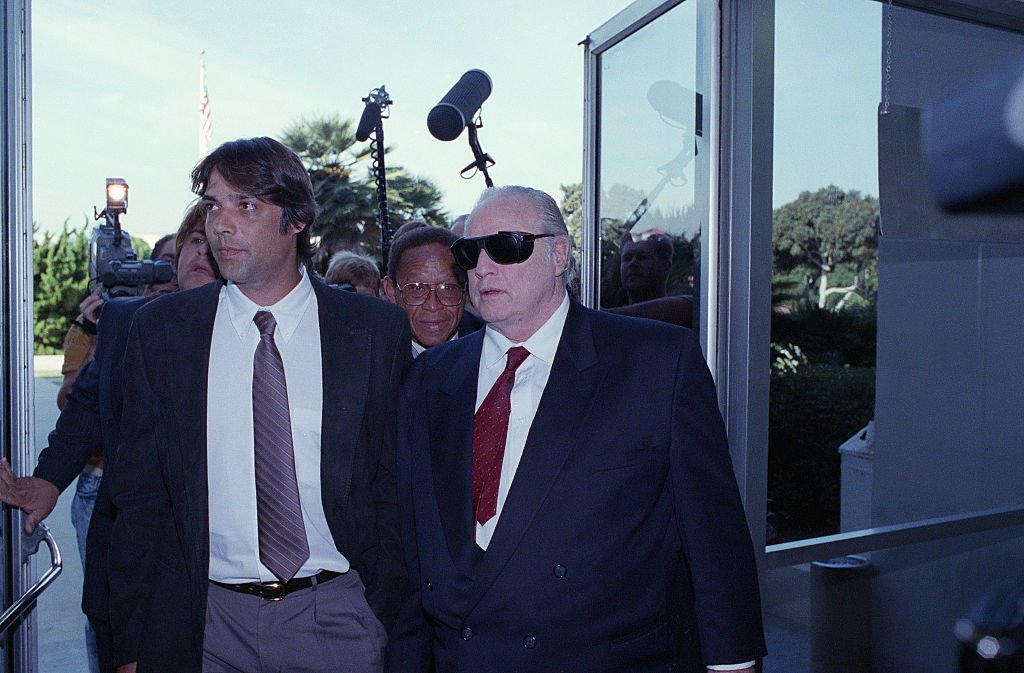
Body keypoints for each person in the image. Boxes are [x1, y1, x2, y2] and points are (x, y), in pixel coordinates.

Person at [385, 186, 765, 673]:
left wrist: (732, 663)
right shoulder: (431, 378)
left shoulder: (657, 363)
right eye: (469, 250)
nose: (482, 266)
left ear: (559, 253)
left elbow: (713, 534)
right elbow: (418, 560)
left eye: (506, 245)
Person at [107, 136, 411, 673]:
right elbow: (138, 499)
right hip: (204, 623)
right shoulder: (164, 332)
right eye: (212, 205)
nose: (220, 226)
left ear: (295, 220)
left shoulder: (370, 330)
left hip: (335, 615)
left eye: (245, 206)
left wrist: (386, 613)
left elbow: (393, 485)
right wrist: (131, 645)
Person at [0, 202, 218, 673]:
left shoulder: (258, 331)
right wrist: (47, 482)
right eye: (193, 241)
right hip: (131, 563)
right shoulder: (124, 320)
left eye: (213, 242)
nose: (203, 251)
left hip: (223, 572)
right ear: (175, 255)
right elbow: (84, 408)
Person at [381, 226, 480, 357]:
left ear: (466, 292)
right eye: (417, 288)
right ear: (391, 291)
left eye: (448, 288)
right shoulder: (370, 356)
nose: (433, 305)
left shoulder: (492, 351)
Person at [607, 231, 694, 327]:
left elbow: (688, 305)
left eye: (642, 257)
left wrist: (602, 315)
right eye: (627, 258)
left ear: (665, 267)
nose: (632, 264)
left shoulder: (685, 312)